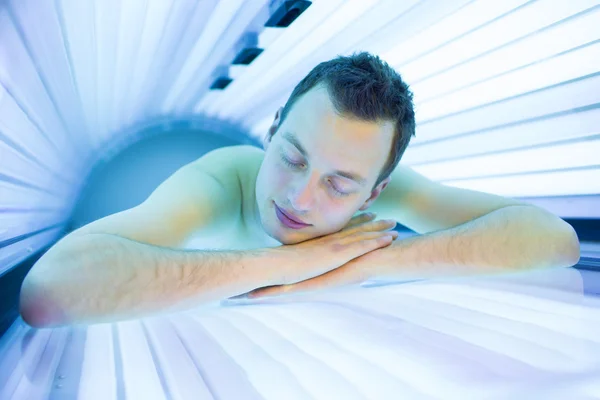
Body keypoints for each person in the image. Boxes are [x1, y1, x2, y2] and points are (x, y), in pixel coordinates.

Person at [19, 52, 580, 328]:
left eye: (339, 185)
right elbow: (50, 290)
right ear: (272, 131)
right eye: (290, 157)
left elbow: (553, 239)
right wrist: (286, 263)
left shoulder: (388, 190)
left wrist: (358, 266)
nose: (300, 198)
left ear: (373, 194)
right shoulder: (222, 179)